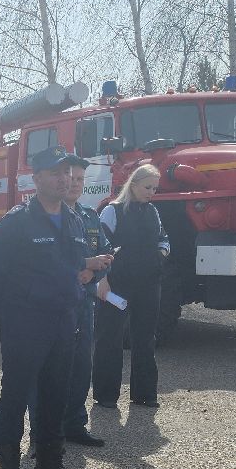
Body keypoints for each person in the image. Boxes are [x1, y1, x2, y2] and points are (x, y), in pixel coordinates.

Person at [0, 145, 110, 469]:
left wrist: (80, 278)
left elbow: (73, 264)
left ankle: (49, 468)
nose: (64, 178)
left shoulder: (72, 219)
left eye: (67, 172)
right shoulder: (17, 221)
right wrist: (16, 310)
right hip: (26, 324)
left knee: (56, 394)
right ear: (36, 179)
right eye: (56, 172)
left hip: (63, 321)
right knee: (16, 396)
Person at [29, 157, 113, 447]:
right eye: (69, 176)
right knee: (46, 371)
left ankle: (74, 424)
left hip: (83, 303)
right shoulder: (40, 216)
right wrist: (77, 269)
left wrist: (91, 272)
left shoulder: (89, 217)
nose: (73, 183)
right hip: (52, 307)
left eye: (79, 179)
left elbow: (106, 253)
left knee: (80, 366)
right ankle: (41, 432)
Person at [92, 163, 167, 409]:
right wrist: (101, 280)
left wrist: (161, 253)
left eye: (155, 188)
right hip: (117, 284)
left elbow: (163, 238)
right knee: (110, 338)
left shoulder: (153, 211)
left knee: (145, 338)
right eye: (147, 187)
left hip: (148, 282)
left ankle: (145, 394)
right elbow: (100, 248)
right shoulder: (111, 212)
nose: (151, 193)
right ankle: (105, 395)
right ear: (133, 184)